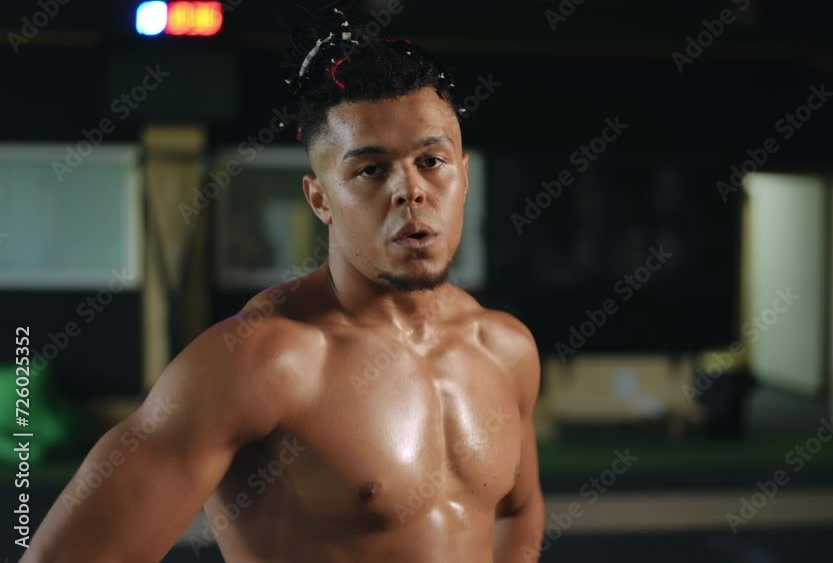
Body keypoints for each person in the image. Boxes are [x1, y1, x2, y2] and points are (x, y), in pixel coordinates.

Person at [23, 10, 544, 563]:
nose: (410, 190)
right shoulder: (257, 362)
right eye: (371, 169)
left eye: (431, 161)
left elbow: (517, 512)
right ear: (320, 200)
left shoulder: (505, 349)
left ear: (464, 175)